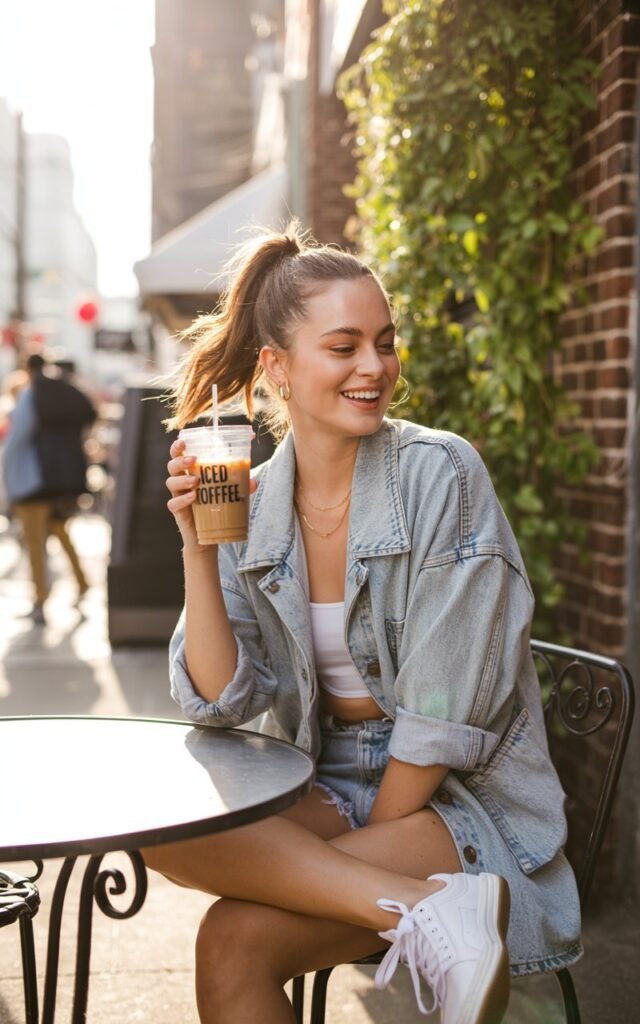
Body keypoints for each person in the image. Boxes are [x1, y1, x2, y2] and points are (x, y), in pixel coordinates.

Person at [143, 226, 582, 1023]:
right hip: (321, 778)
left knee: (229, 940)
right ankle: (428, 913)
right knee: (157, 830)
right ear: (277, 367)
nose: (374, 368)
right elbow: (219, 701)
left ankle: (433, 907)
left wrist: (332, 856)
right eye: (343, 347)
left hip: (453, 800)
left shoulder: (441, 473)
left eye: (383, 343)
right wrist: (197, 555)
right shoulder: (249, 499)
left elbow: (443, 714)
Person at [2, 353, 95, 624]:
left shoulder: (32, 396)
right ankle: (82, 583)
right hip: (58, 481)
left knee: (34, 543)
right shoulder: (61, 392)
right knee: (61, 533)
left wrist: (7, 482)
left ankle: (40, 598)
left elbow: (15, 442)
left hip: (31, 481)